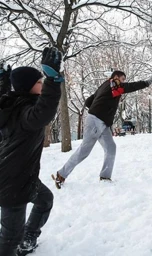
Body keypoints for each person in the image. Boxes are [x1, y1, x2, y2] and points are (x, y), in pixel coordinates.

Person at [0, 47, 63, 256]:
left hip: (20, 177)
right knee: (9, 239)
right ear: (28, 87)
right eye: (39, 82)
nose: (42, 84)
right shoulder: (26, 113)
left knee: (44, 200)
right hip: (12, 185)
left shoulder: (11, 105)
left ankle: (29, 238)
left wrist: (3, 82)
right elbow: (43, 111)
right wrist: (53, 80)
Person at [53, 71, 152, 188]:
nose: (123, 81)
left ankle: (105, 177)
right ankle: (61, 174)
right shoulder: (114, 84)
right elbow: (131, 86)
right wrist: (147, 82)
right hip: (96, 121)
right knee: (84, 151)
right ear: (116, 77)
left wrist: (100, 107)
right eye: (123, 78)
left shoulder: (105, 85)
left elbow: (88, 101)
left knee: (111, 148)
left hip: (101, 122)